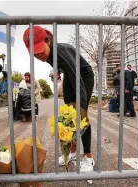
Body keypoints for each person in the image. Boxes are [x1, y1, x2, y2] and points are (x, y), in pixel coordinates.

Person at [23, 25, 95, 172]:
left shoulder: (59, 53)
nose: (39, 56)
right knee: (68, 114)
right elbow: (65, 69)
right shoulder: (50, 54)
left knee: (81, 116)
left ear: (47, 41)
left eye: (40, 51)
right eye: (35, 54)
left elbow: (79, 83)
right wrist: (57, 71)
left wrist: (80, 108)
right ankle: (73, 152)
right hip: (70, 75)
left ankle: (88, 157)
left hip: (84, 76)